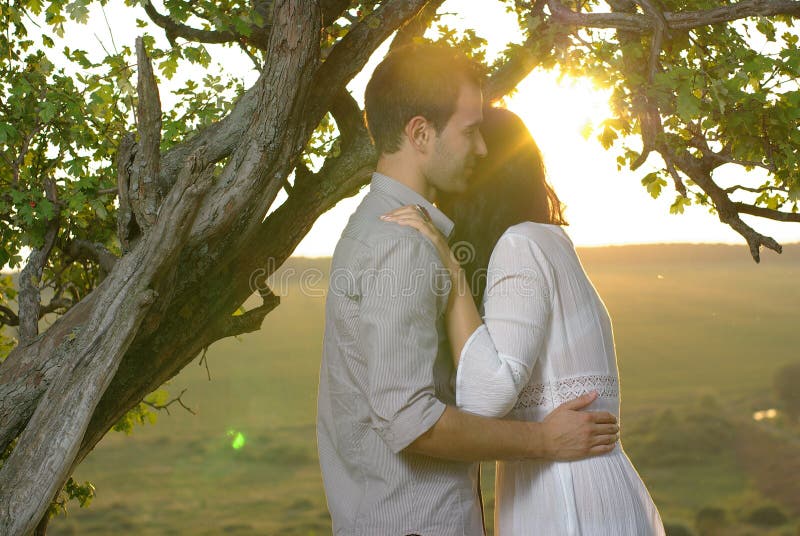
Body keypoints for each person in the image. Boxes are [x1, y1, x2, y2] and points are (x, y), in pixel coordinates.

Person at [316, 43, 619, 536]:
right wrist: (545, 441)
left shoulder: (383, 227)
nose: (482, 148)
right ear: (420, 133)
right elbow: (410, 418)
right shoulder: (403, 243)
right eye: (471, 130)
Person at [380, 105, 666, 535]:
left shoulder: (520, 245)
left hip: (564, 497)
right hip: (583, 488)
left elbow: (485, 397)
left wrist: (451, 268)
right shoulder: (548, 240)